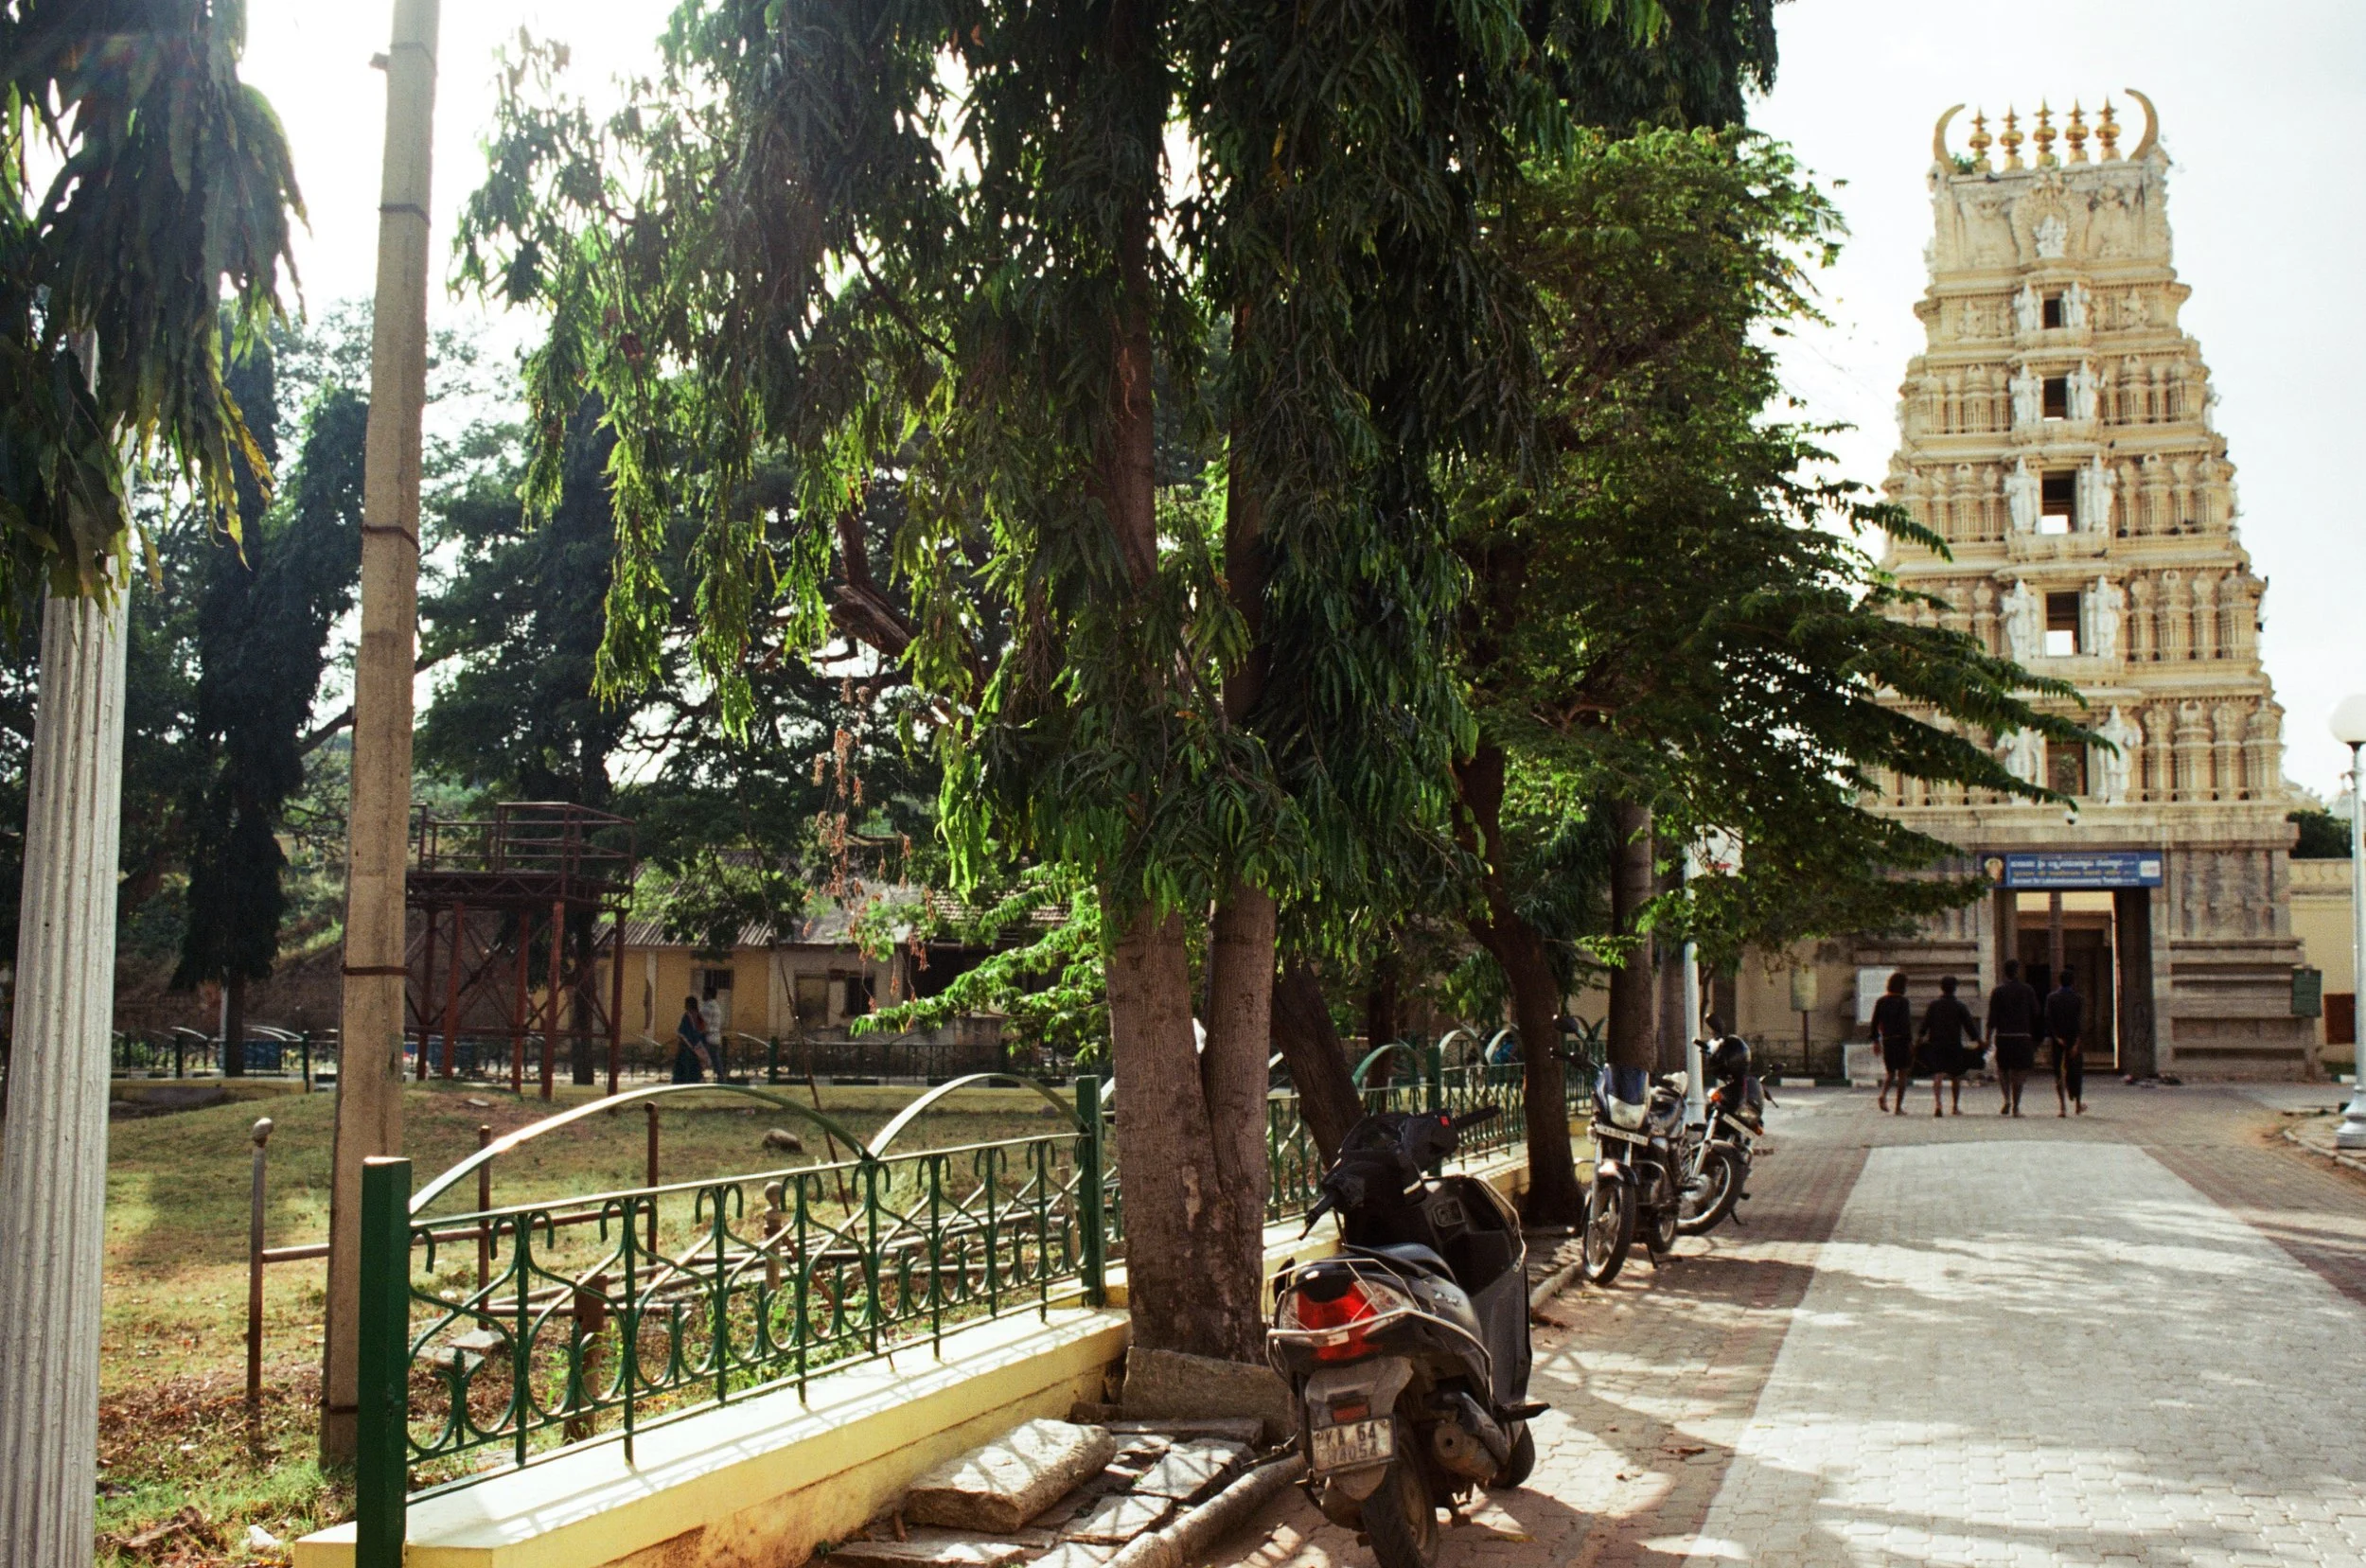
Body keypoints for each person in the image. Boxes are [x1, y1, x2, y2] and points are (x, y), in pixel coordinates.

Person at [1985, 960, 2041, 1117]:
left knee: (2003, 1069)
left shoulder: (1998, 991)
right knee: (2020, 1071)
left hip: (2003, 1036)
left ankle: (2007, 1099)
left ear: (2005, 972)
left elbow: (1992, 1017)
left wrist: (1988, 1037)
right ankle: (2016, 1106)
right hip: (2022, 1036)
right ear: (2018, 971)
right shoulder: (2027, 990)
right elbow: (2036, 1012)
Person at [1917, 975, 1980, 1117]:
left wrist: (1919, 1039)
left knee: (1938, 1074)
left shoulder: (1934, 1005)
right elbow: (1969, 1026)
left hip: (1936, 1043)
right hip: (1954, 1043)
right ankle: (1955, 1106)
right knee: (1956, 1075)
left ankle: (1938, 1104)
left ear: (1942, 988)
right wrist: (1978, 1041)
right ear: (1955, 988)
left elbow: (1925, 1024)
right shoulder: (1960, 1006)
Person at [1869, 971, 1914, 1115]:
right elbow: (1905, 1023)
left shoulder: (1881, 1001)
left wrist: (1876, 1041)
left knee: (1890, 1073)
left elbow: (1874, 1023)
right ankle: (1898, 1107)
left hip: (1887, 1040)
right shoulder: (1903, 1002)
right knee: (1902, 1074)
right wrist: (1910, 1042)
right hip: (1901, 1040)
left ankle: (1883, 1094)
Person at [2047, 968, 2087, 1117]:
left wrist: (2056, 1037)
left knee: (2059, 1072)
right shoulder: (2078, 998)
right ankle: (2077, 1104)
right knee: (2076, 1072)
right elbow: (2079, 1022)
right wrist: (2076, 1043)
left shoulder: (2052, 998)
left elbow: (2049, 1020)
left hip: (2058, 1040)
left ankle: (2062, 1107)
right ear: (2073, 982)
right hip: (2073, 1039)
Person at [673, 994, 713, 1084]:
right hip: (697, 1048)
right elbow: (703, 1032)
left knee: (684, 1069)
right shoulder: (699, 1016)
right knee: (695, 1069)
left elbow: (682, 1032)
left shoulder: (687, 1016)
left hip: (686, 1048)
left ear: (688, 1005)